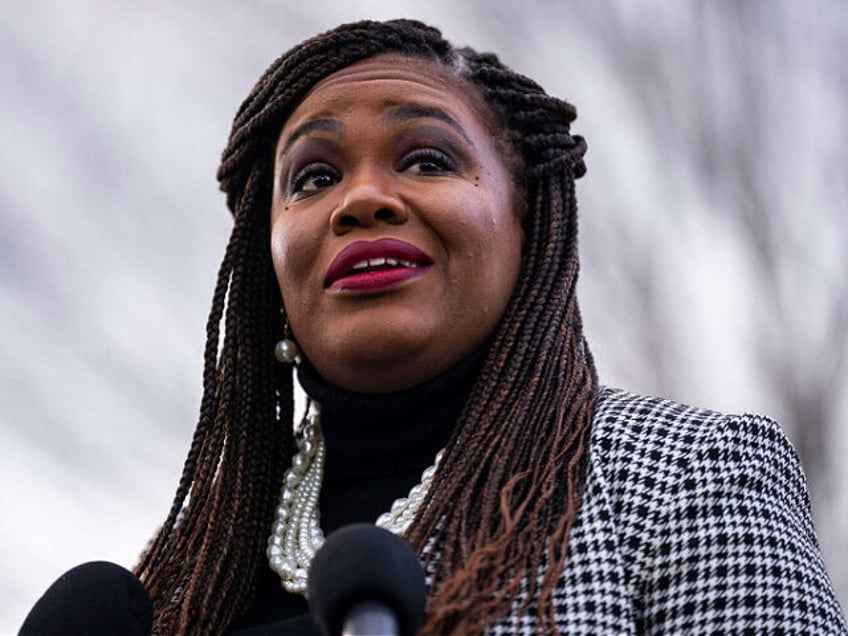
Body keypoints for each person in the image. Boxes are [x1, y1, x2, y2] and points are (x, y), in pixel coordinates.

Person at [114, 18, 845, 635]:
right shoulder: (183, 582)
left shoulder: (687, 479)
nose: (362, 199)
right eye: (313, 178)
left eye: (427, 160)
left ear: (527, 226)